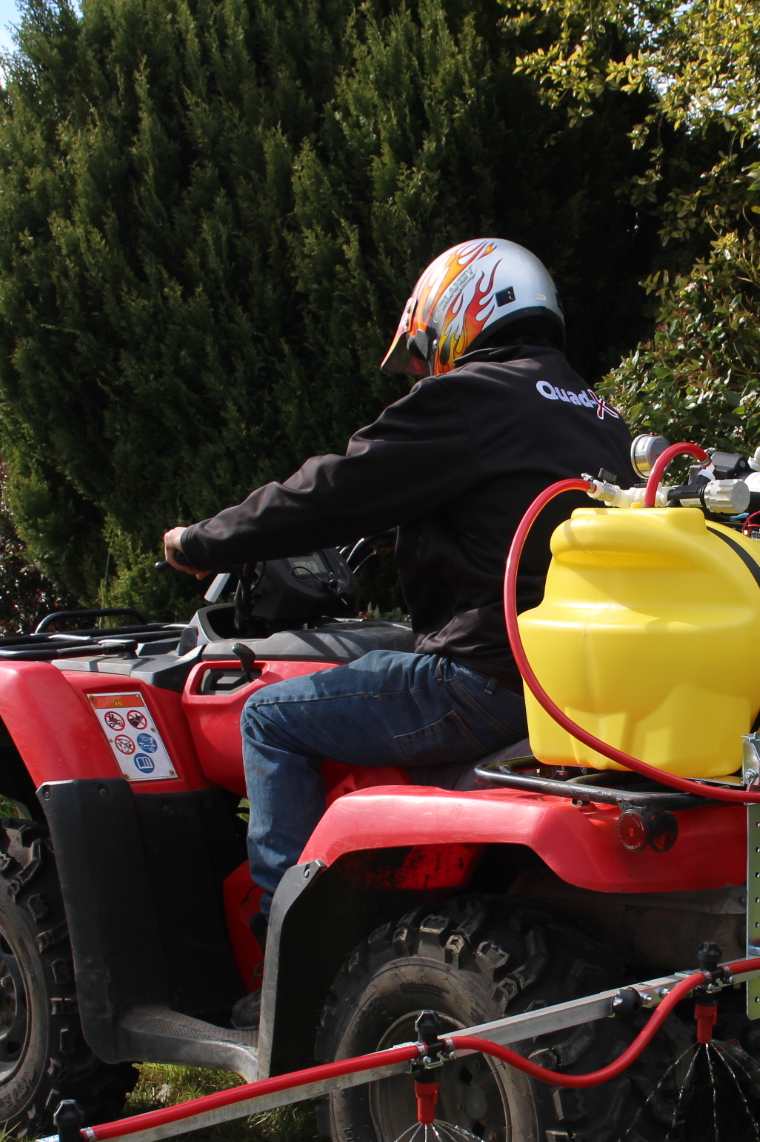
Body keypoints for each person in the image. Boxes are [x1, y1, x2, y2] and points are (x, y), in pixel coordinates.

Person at [162, 239, 634, 1027]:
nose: (422, 371)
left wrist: (202, 541)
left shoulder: (472, 398)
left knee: (270, 717)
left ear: (463, 313)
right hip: (575, 685)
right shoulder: (591, 408)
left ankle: (287, 961)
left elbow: (334, 489)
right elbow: (515, 520)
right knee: (378, 664)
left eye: (422, 353)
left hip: (485, 681)